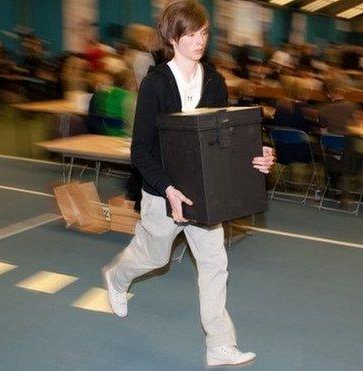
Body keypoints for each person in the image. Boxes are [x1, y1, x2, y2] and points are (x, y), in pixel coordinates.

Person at [101, 1, 275, 367]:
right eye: (192, 34)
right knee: (154, 255)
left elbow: (220, 140)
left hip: (203, 193)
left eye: (204, 33)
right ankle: (116, 278)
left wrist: (255, 154)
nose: (200, 41)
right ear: (173, 37)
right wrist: (167, 188)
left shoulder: (214, 80)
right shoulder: (156, 84)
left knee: (215, 262)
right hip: (163, 192)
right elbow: (141, 151)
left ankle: (219, 344)